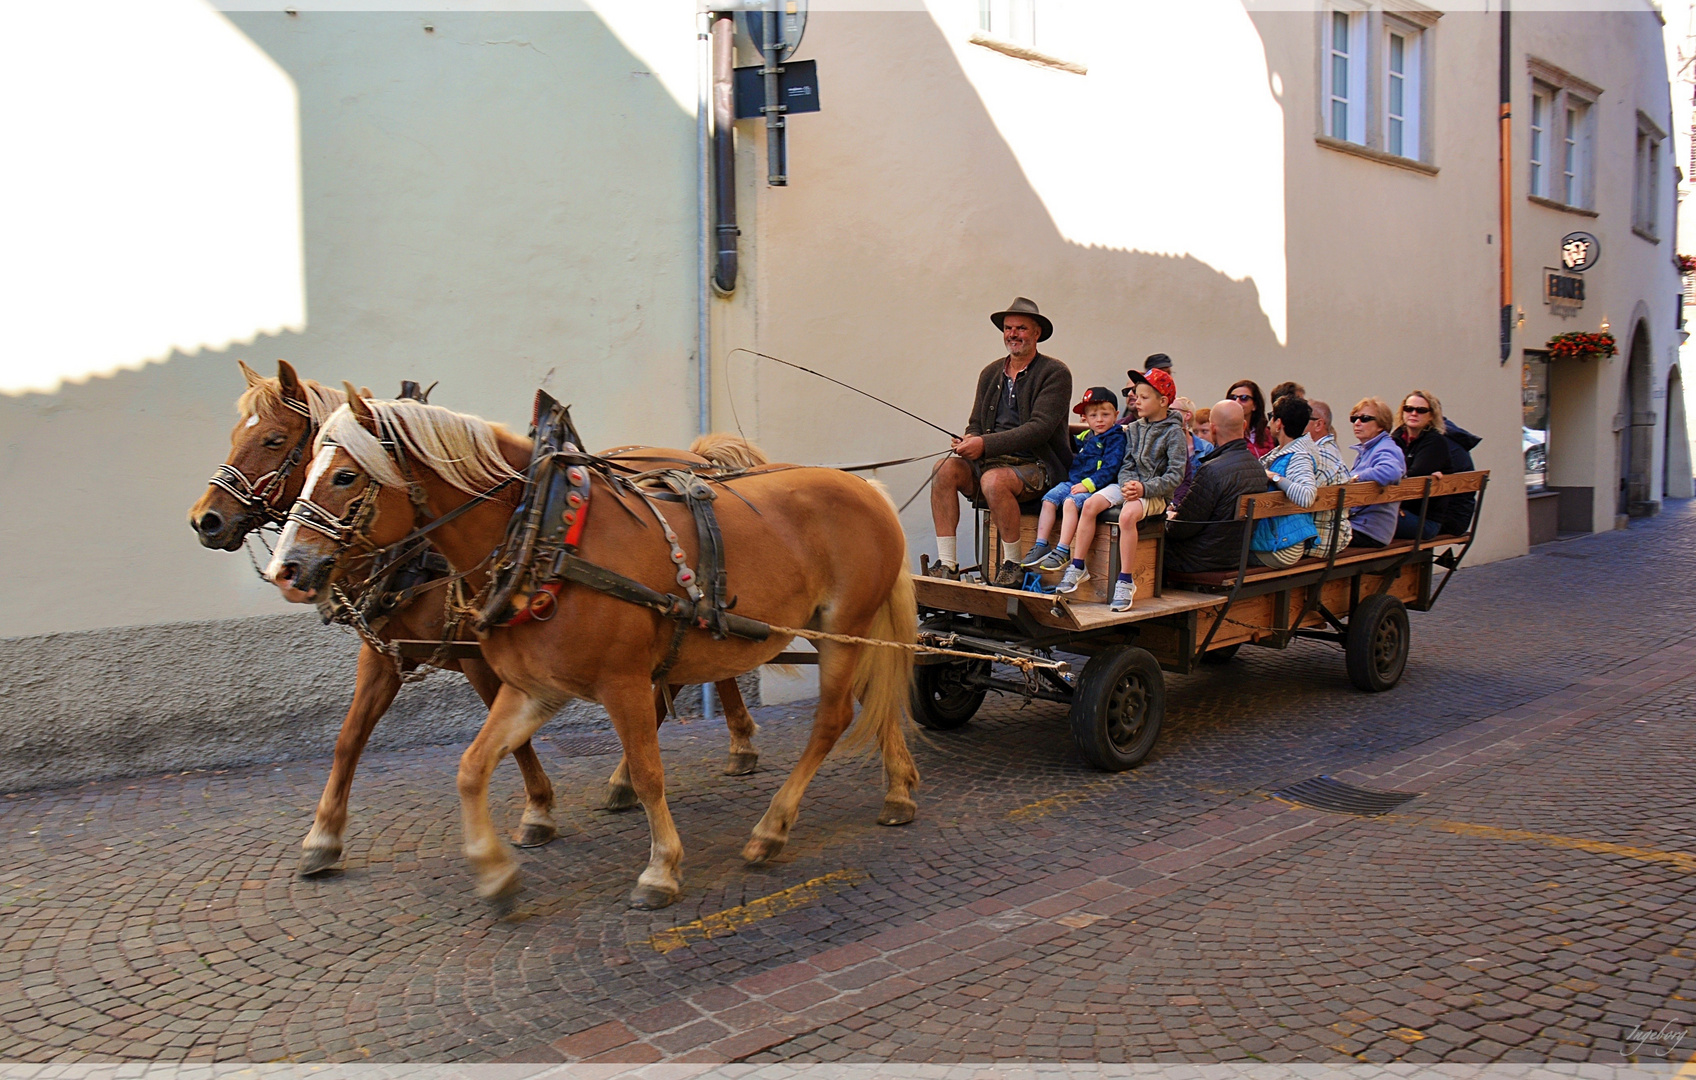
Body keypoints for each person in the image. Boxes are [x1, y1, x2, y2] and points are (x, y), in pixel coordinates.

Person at [928, 298, 1073, 586]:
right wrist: (970, 438)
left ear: (1036, 334)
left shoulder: (1055, 373)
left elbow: (1039, 429)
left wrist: (984, 444)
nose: (1013, 334)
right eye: (1008, 328)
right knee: (943, 469)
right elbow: (977, 423)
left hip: (1038, 466)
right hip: (991, 462)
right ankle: (947, 564)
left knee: (994, 481)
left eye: (1021, 328)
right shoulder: (991, 372)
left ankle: (1012, 564)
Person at [1060, 367, 1187, 610]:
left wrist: (1143, 488)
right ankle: (1078, 565)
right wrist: (1128, 483)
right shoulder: (1136, 428)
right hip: (1129, 485)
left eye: (1143, 397)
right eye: (1136, 396)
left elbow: (1175, 475)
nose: (1136, 401)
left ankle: (1125, 580)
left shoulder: (1174, 433)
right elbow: (1127, 462)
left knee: (1127, 516)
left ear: (1162, 401)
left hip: (1155, 493)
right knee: (1089, 504)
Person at [1021, 387, 1127, 571]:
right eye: (1093, 415)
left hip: (1096, 487)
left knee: (1070, 502)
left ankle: (1063, 550)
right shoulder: (1086, 436)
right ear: (1085, 418)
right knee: (1049, 499)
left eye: (1105, 414)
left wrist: (1088, 485)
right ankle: (1041, 544)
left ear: (1116, 415)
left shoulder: (1116, 438)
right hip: (1074, 481)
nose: (1099, 420)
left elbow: (1111, 467)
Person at [1163, 400, 1273, 574]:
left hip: (1198, 558)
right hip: (1236, 556)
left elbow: (1182, 528)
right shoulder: (1257, 468)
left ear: (1213, 428)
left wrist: (1167, 518)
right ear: (1244, 425)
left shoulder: (1212, 471)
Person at [1252, 395, 1320, 567]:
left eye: (1271, 416)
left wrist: (1274, 477)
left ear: (1279, 423)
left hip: (1283, 547)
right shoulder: (1286, 451)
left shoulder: (1299, 456)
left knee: (1220, 555)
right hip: (1281, 539)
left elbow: (1306, 496)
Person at [1393, 390, 1453, 541]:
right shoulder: (1397, 437)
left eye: (1420, 410)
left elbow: (1413, 477)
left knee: (1367, 522)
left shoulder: (1435, 442)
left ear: (1431, 415)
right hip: (1398, 511)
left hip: (1425, 521)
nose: (1413, 413)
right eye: (1409, 409)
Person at [1346, 397, 1405, 547]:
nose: (1357, 423)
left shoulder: (1385, 448)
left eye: (1365, 419)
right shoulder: (1369, 449)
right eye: (1354, 418)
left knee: (1306, 538)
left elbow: (1391, 471)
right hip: (1360, 525)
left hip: (1369, 531)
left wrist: (1356, 478)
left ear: (1381, 425)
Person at [1304, 400, 1354, 551]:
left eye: (1302, 418)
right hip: (1329, 536)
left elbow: (1300, 500)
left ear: (1318, 425)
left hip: (1321, 542)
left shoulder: (1320, 456)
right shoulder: (1326, 450)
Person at [1228, 379, 1274, 457]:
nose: (1237, 401)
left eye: (1244, 398)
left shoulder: (1266, 433)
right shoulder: (1224, 433)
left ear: (1254, 405)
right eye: (1233, 398)